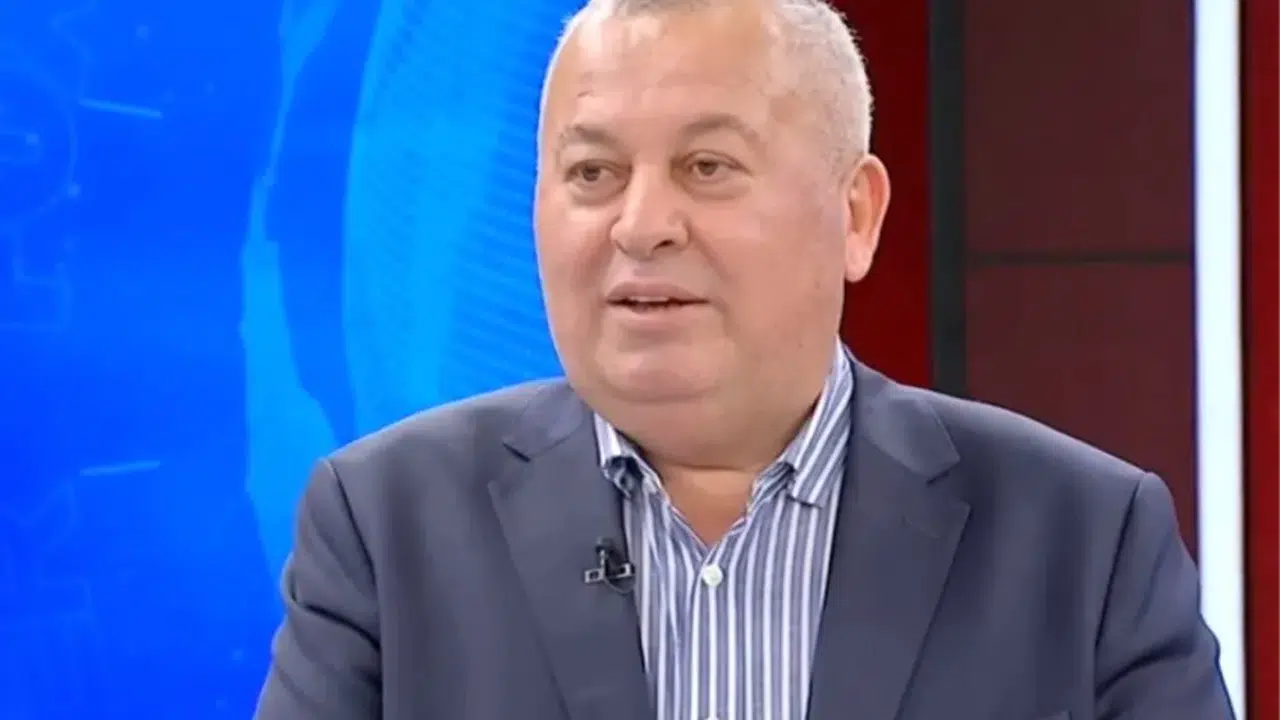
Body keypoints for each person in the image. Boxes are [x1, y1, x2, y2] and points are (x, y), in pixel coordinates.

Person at [253, 0, 1235, 717]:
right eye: (592, 172)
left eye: (706, 167)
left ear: (855, 215)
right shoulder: (384, 528)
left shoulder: (1081, 540)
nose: (640, 224)